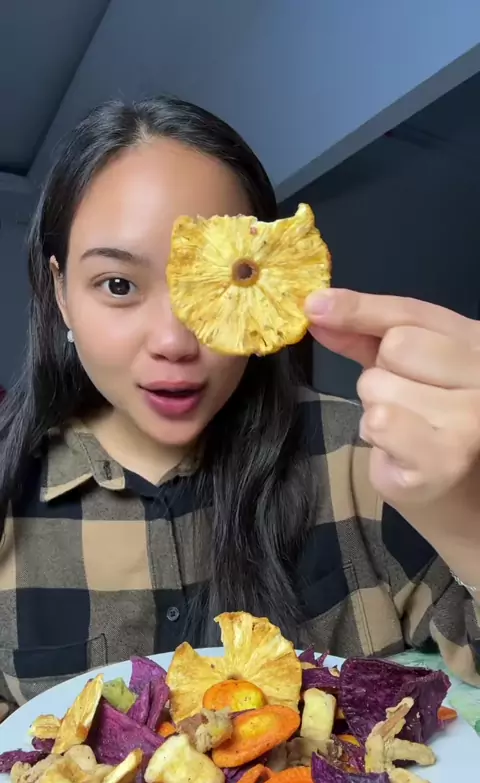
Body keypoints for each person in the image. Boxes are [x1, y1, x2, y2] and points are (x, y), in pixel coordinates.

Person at [1, 96, 480, 720]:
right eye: (118, 285)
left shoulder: (367, 458)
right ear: (61, 292)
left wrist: (468, 516)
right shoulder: (11, 494)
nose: (173, 342)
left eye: (219, 281)